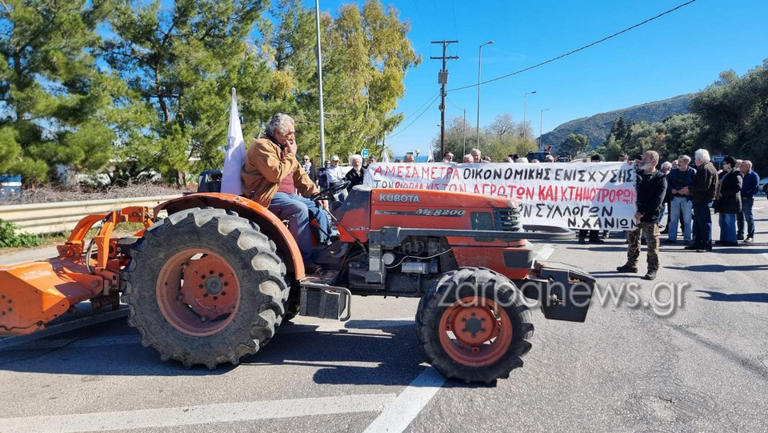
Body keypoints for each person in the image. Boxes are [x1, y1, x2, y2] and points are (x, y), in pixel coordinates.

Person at [241, 113, 330, 272]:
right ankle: (303, 260)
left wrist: (317, 194)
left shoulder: (285, 148)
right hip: (267, 196)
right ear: (277, 132)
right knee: (299, 209)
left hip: (287, 196)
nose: (293, 136)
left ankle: (325, 250)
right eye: (289, 133)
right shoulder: (262, 146)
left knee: (318, 208)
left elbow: (300, 175)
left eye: (293, 132)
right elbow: (275, 174)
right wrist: (290, 155)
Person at [616, 150, 667, 280]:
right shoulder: (636, 174)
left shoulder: (660, 178)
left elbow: (657, 200)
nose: (642, 161)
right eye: (642, 158)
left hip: (649, 216)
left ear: (654, 162)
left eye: (645, 159)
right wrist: (626, 166)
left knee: (652, 245)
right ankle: (631, 264)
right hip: (633, 214)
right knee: (632, 241)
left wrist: (642, 212)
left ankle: (652, 269)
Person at [681, 149, 718, 252]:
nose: (695, 160)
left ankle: (706, 245)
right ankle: (698, 243)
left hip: (703, 199)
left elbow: (704, 186)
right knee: (698, 222)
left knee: (704, 223)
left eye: (696, 158)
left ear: (700, 159)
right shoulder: (705, 167)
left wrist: (689, 189)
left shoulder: (706, 168)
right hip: (699, 199)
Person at [663, 155, 696, 245]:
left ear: (686, 163)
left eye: (680, 162)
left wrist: (688, 189)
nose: (678, 163)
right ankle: (672, 237)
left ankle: (687, 238)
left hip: (687, 199)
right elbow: (666, 183)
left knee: (687, 219)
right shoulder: (673, 172)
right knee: (673, 219)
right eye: (678, 161)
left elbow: (696, 184)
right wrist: (671, 189)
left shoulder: (693, 172)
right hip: (675, 198)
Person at [714, 156, 742, 246]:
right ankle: (724, 239)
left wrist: (723, 193)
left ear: (729, 164)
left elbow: (737, 187)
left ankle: (732, 241)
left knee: (729, 221)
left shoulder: (737, 174)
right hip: (723, 202)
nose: (723, 165)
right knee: (722, 222)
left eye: (724, 163)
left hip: (731, 202)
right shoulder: (723, 174)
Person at [579, 154, 605, 244]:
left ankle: (594, 237)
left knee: (596, 218)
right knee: (586, 217)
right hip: (587, 198)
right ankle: (582, 237)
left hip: (598, 198)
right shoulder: (587, 169)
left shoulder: (604, 171)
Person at [737, 160, 759, 242]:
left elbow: (755, 189)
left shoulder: (754, 175)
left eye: (742, 165)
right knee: (739, 217)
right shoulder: (741, 174)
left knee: (748, 217)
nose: (740, 167)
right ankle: (740, 234)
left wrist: (746, 195)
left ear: (748, 167)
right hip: (739, 198)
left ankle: (750, 236)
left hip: (747, 199)